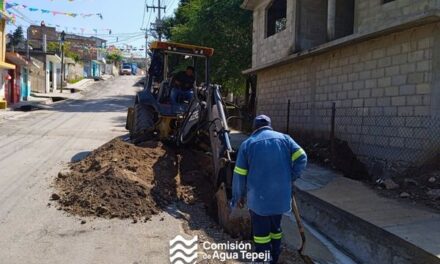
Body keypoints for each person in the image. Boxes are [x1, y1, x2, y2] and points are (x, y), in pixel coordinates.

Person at [231, 115, 307, 264]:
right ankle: (274, 257)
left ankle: (262, 259)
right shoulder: (285, 139)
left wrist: (238, 197)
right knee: (275, 228)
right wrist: (291, 176)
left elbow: (239, 174)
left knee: (261, 234)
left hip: (259, 200)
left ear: (254, 127)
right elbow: (302, 157)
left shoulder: (248, 144)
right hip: (280, 198)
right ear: (270, 126)